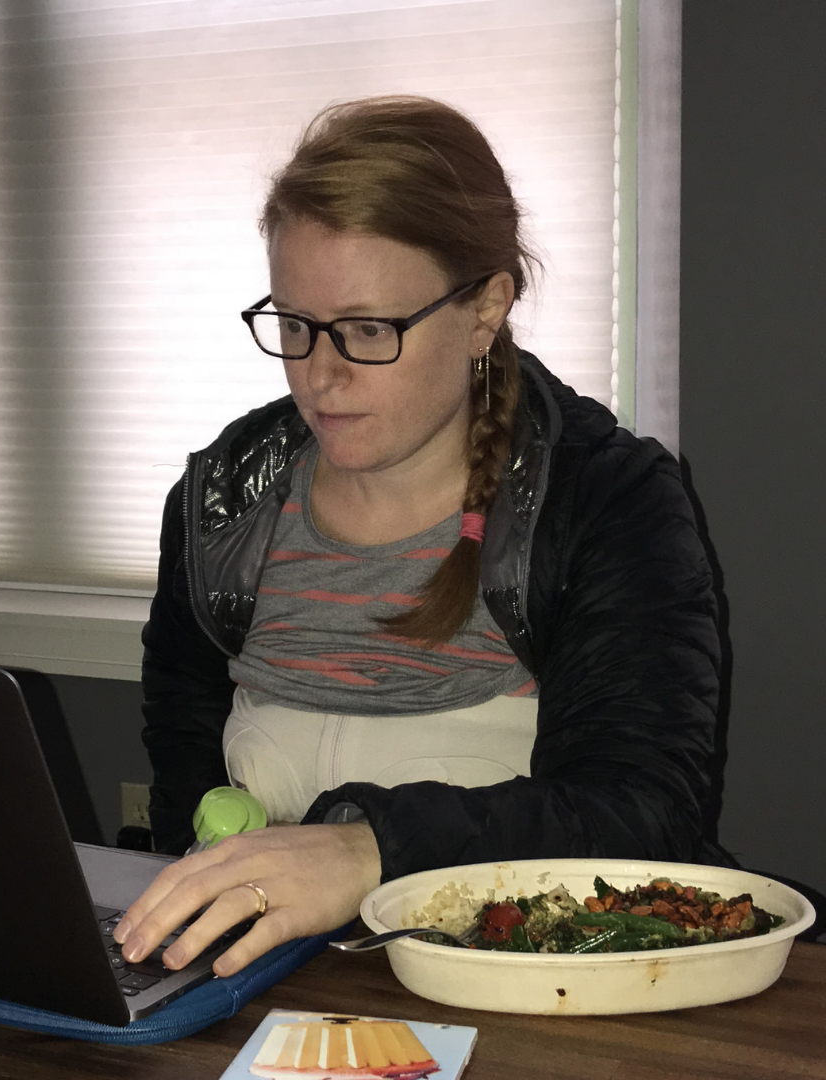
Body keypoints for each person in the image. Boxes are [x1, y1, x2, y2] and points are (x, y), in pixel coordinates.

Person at [113, 96, 725, 979]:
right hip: (261, 978)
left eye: (368, 331)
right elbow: (183, 724)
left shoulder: (608, 503)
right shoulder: (221, 503)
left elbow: (641, 811)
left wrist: (370, 850)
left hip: (519, 981)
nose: (318, 376)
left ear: (483, 309)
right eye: (293, 325)